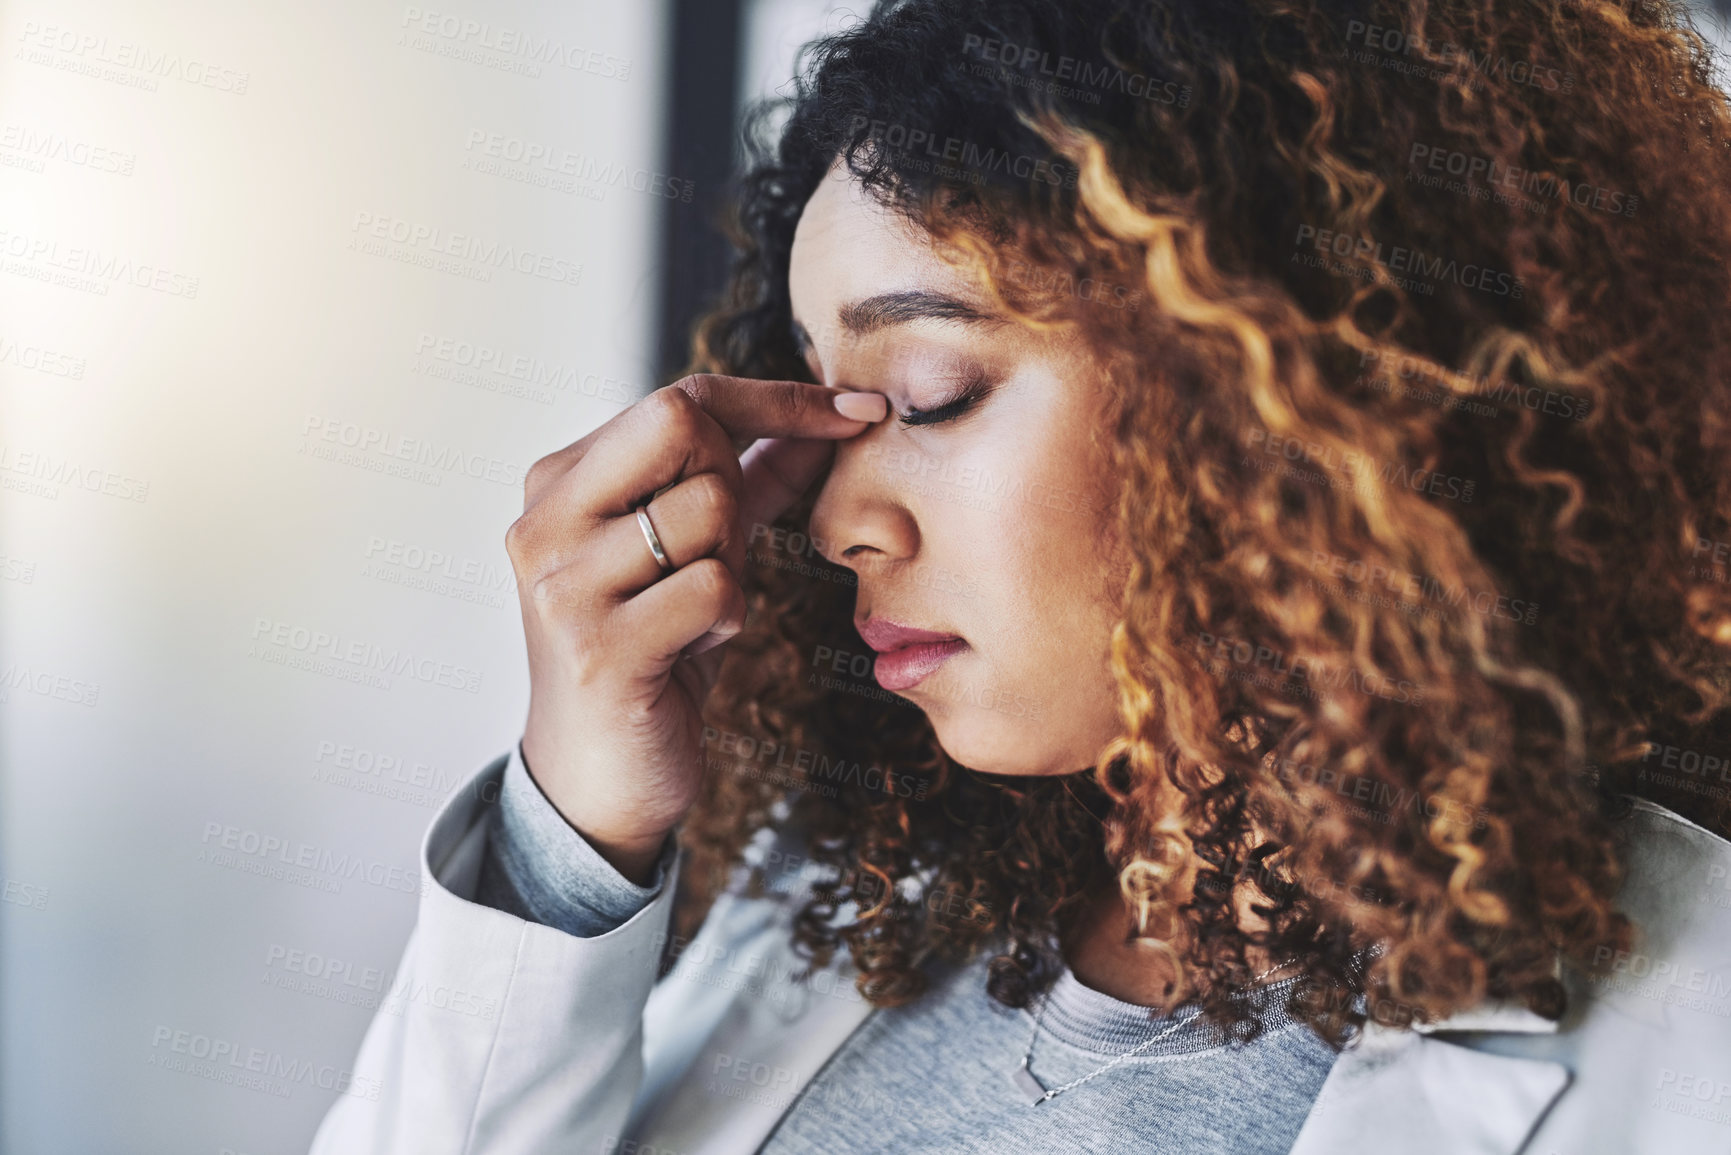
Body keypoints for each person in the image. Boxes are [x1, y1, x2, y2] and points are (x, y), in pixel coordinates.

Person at [311, 0, 1731, 1151]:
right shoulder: (858, 887)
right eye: (826, 402)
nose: (836, 519)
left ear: (1301, 390)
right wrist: (579, 825)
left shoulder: (1692, 1049)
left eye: (928, 393)